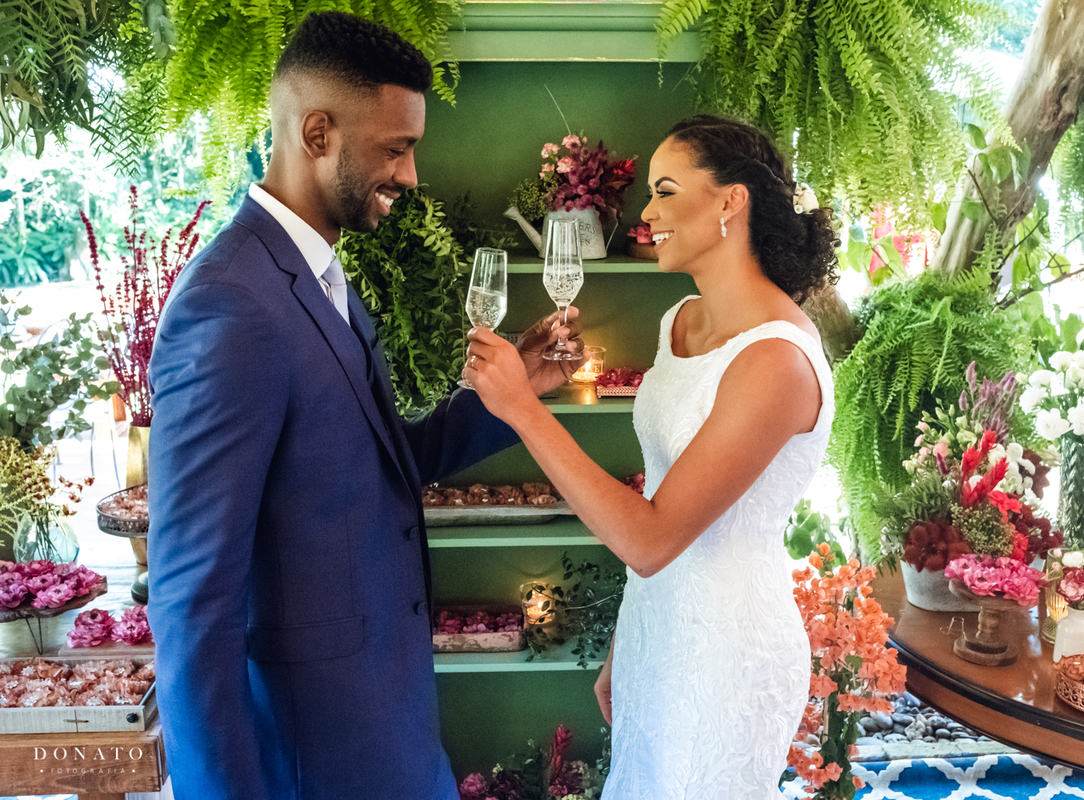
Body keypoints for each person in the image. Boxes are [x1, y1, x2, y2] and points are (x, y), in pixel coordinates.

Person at [146, 12, 579, 800]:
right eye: (395, 147)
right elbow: (189, 603)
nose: (411, 175)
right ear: (317, 133)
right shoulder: (228, 305)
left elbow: (377, 461)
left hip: (390, 729)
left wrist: (509, 389)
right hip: (315, 758)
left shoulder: (319, 277)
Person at [464, 114, 839, 798]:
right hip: (656, 631)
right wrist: (623, 646)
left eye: (666, 190)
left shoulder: (777, 362)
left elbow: (652, 534)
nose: (647, 212)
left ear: (732, 201)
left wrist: (521, 407)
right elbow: (668, 495)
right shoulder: (682, 320)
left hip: (726, 652)